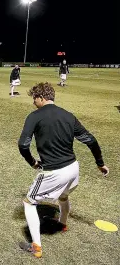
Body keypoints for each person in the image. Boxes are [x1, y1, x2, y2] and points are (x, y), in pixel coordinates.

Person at [17, 82, 109, 258]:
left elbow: (23, 145)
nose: (33, 102)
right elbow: (91, 140)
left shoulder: (34, 116)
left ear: (41, 98)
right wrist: (100, 163)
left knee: (29, 203)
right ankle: (62, 223)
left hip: (54, 172)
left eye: (34, 99)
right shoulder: (68, 115)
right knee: (63, 196)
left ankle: (36, 247)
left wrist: (32, 162)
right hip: (73, 170)